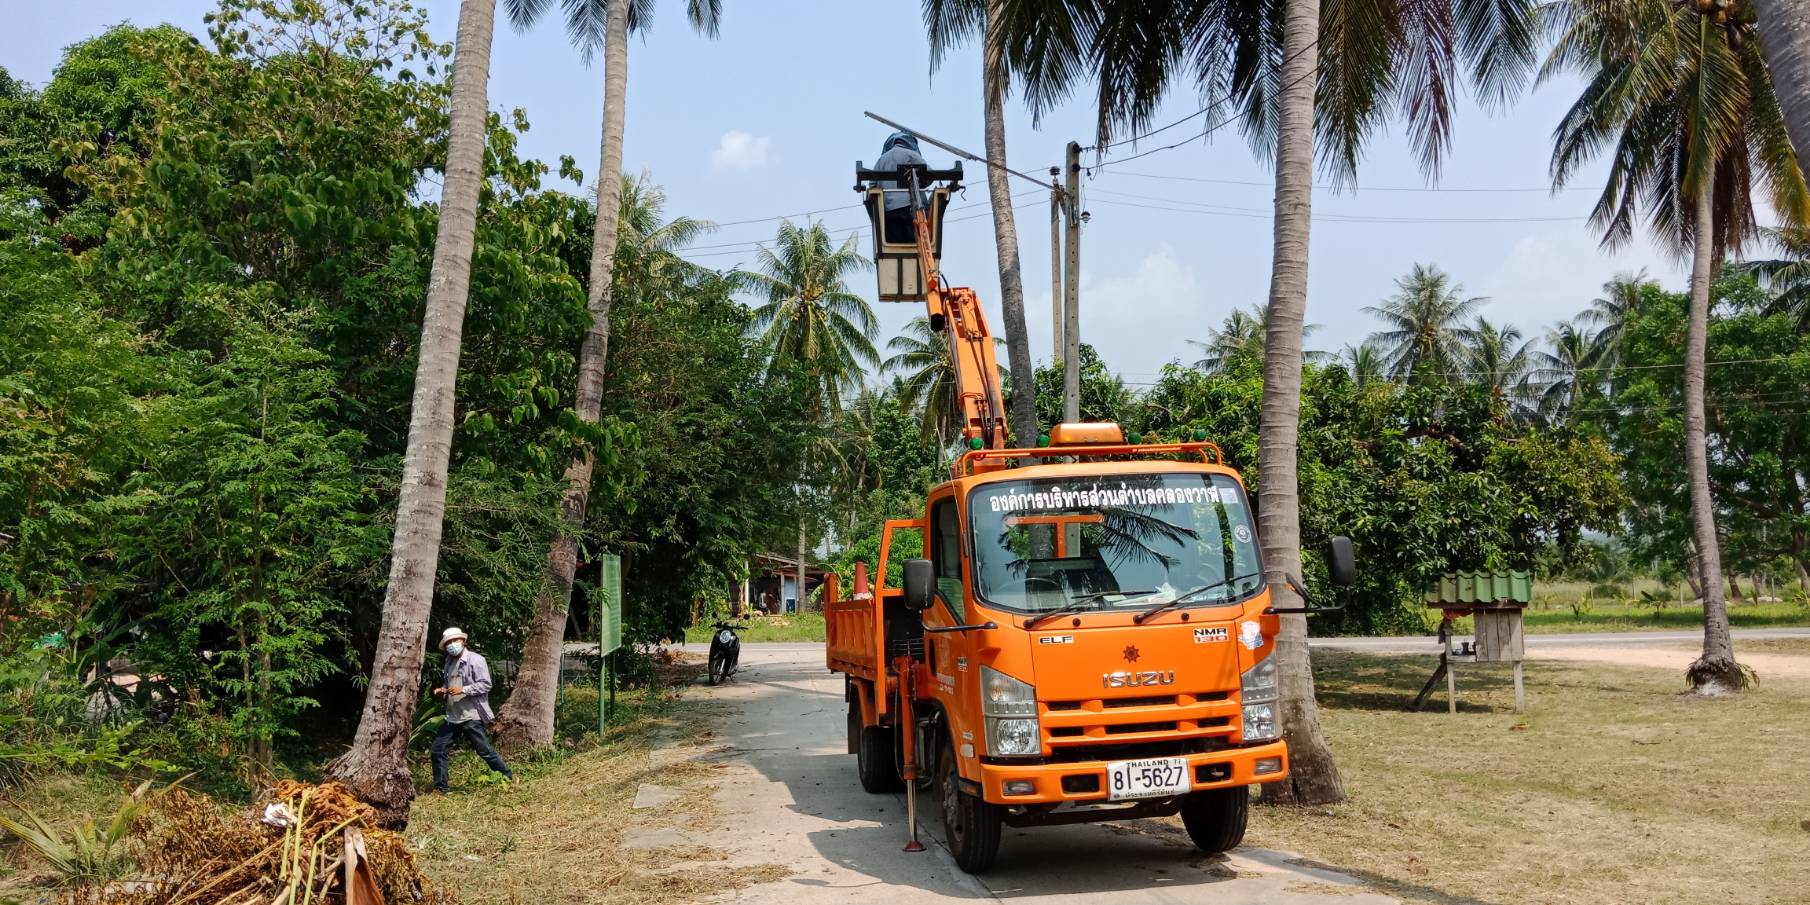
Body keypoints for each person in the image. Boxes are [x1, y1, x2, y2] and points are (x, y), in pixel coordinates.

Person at [429, 626, 516, 792]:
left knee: (485, 751)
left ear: (463, 641)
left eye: (455, 640)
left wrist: (464, 689)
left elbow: (486, 684)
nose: (452, 644)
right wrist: (443, 690)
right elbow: (449, 685)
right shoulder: (449, 661)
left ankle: (508, 777)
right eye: (448, 642)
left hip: (471, 715)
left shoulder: (476, 660)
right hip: (453, 715)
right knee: (438, 750)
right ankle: (441, 788)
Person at [875, 130, 927, 243]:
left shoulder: (881, 160)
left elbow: (872, 186)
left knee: (896, 246)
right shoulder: (912, 155)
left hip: (889, 213)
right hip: (913, 211)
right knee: (915, 244)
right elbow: (929, 175)